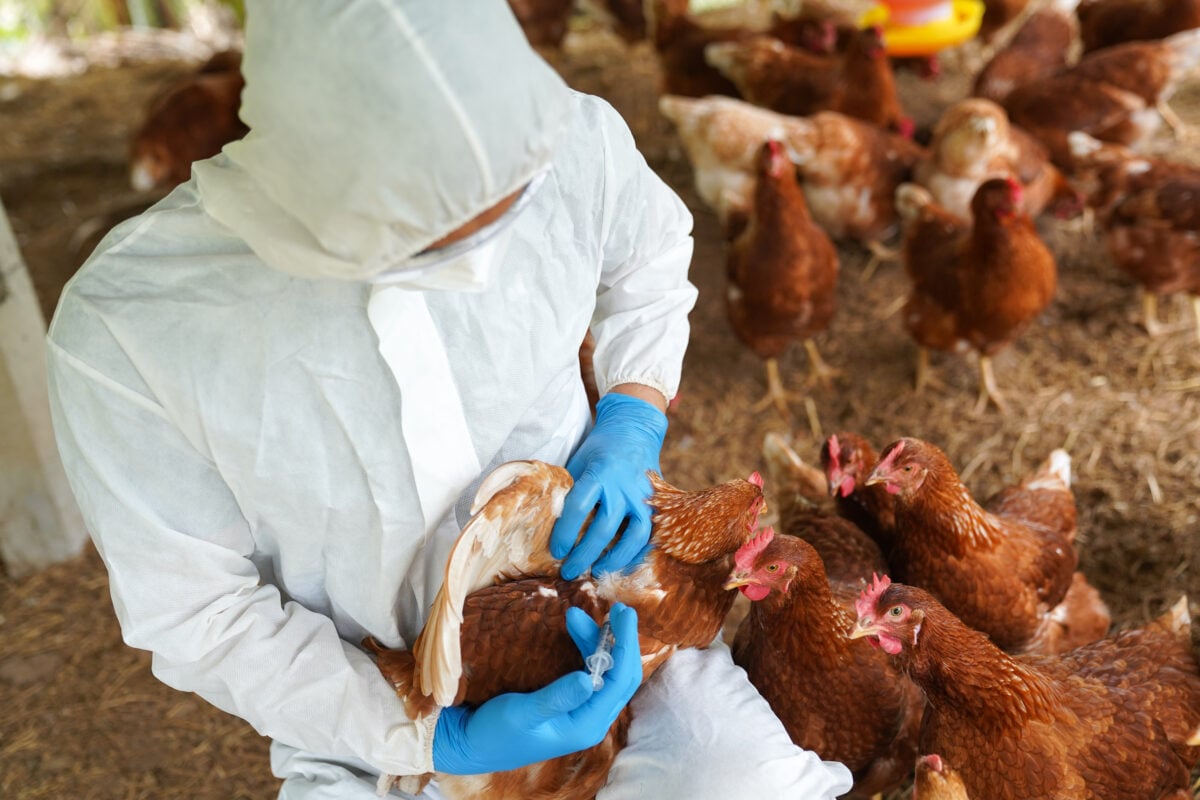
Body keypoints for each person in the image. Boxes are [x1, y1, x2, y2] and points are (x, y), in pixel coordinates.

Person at [45, 1, 853, 798]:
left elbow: (646, 261)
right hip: (373, 698)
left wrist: (632, 417)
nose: (485, 251)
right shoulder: (132, 331)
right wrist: (435, 737)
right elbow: (200, 613)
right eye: (443, 240)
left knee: (748, 780)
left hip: (608, 622)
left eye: (512, 204)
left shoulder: (558, 135)